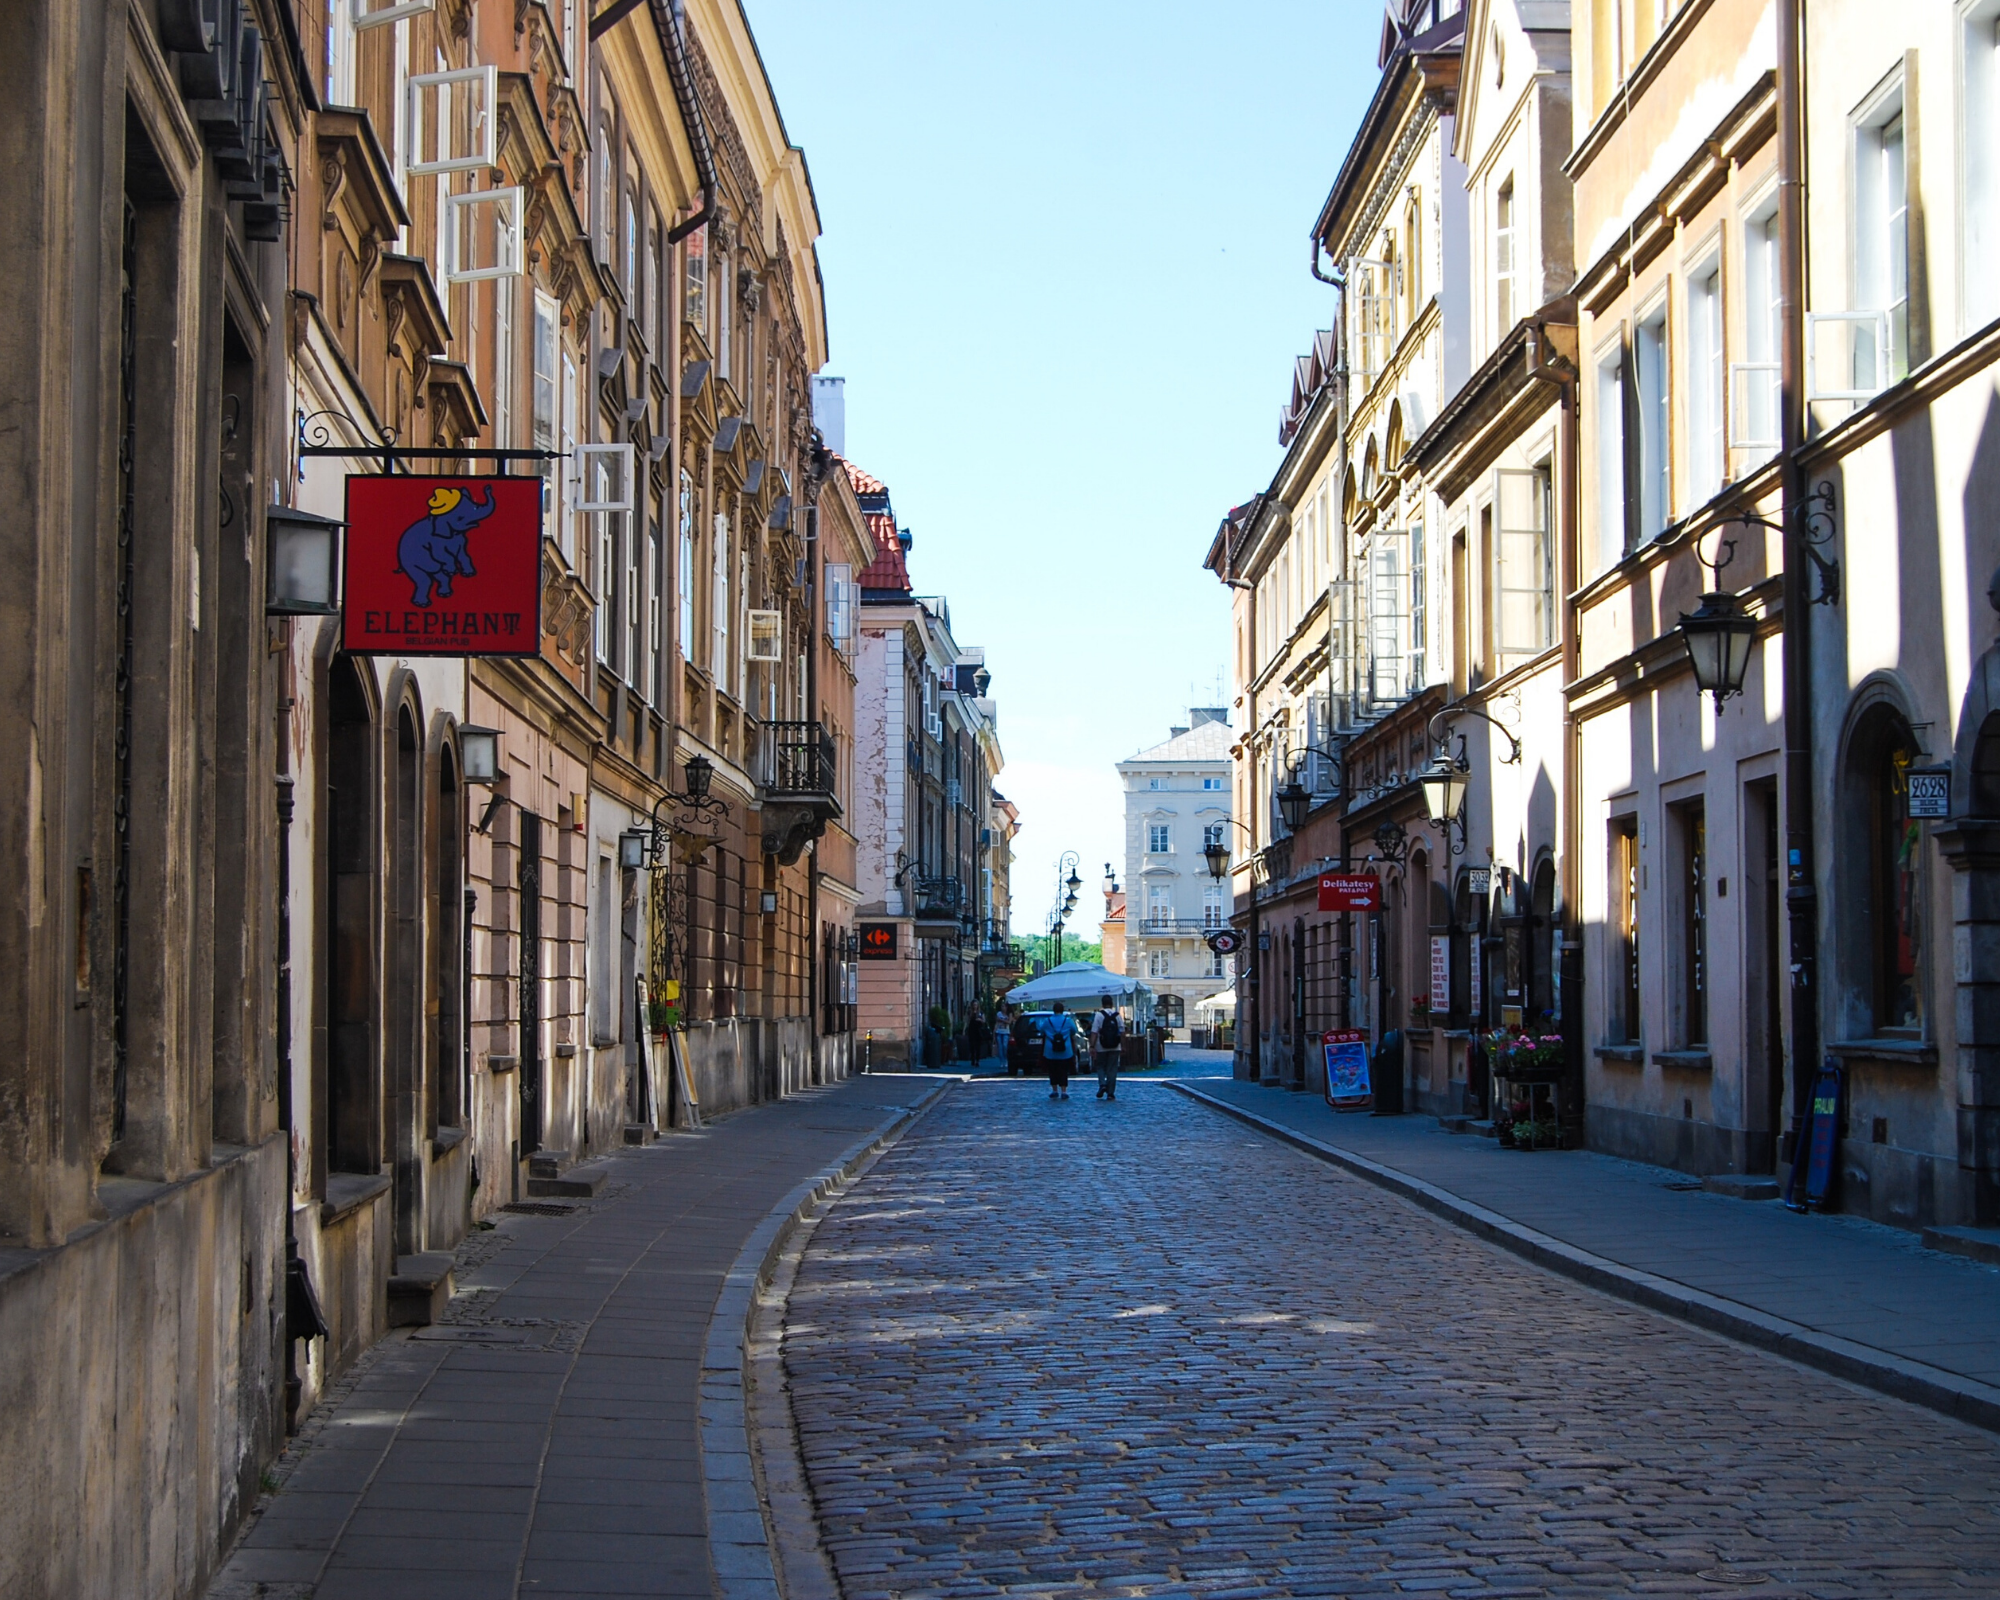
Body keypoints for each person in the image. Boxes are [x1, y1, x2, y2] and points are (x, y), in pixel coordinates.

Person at [1042, 1001, 1077, 1098]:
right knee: (1064, 1071)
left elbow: (1041, 1030)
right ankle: (1064, 1091)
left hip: (1050, 1050)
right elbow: (1074, 1031)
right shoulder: (1068, 1020)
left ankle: (1054, 1090)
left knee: (1052, 1070)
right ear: (1062, 1010)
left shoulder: (1047, 1021)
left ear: (1053, 1010)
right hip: (1065, 1050)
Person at [1092, 997, 1123, 1100]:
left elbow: (1094, 1032)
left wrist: (1092, 1046)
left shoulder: (1099, 1015)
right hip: (1115, 1046)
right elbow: (1122, 1031)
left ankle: (1102, 1084)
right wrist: (1123, 1045)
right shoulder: (1117, 1015)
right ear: (1112, 1003)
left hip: (1101, 1046)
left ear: (1102, 1004)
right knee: (1112, 1069)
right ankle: (1110, 1093)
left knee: (1100, 1066)